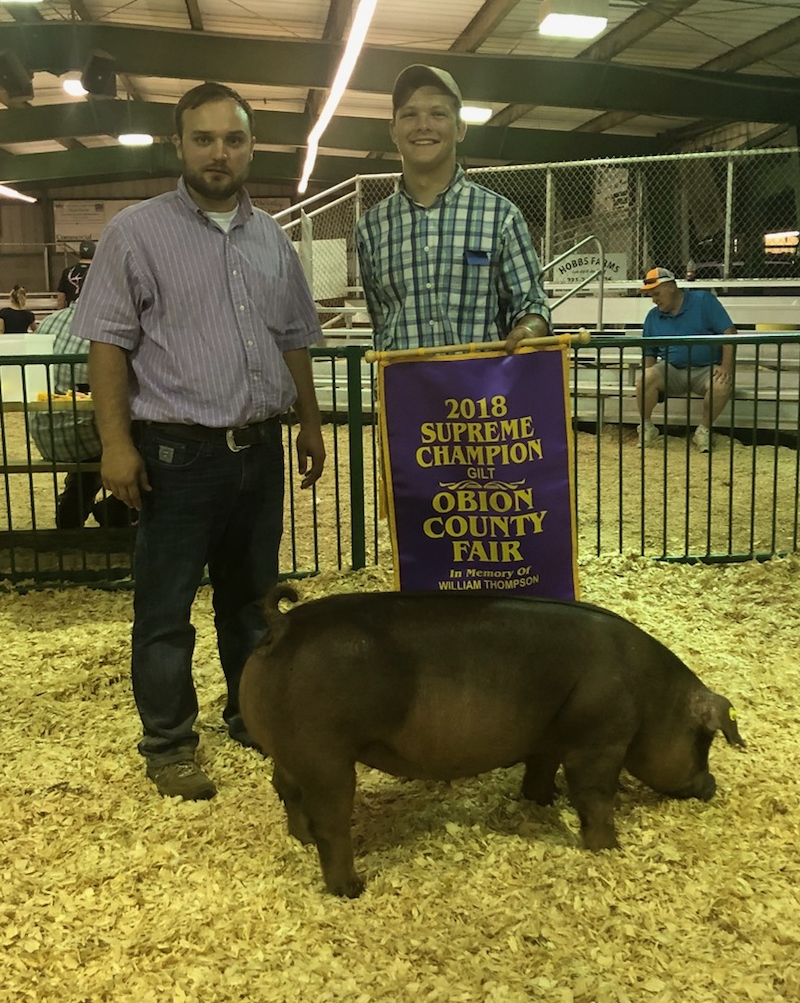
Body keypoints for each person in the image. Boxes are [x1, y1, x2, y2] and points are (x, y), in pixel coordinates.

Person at [73, 81, 326, 801]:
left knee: (251, 600)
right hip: (176, 454)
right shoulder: (135, 232)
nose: (220, 152)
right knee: (165, 608)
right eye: (205, 139)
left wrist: (310, 421)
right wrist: (115, 444)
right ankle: (169, 742)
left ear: (252, 148)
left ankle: (250, 714)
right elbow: (107, 344)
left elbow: (294, 337)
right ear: (179, 145)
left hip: (260, 449)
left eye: (234, 139)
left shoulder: (271, 236)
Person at [355, 64, 550, 353]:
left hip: (481, 382)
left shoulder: (501, 217)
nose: (423, 125)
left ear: (460, 128)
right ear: (393, 130)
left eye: (438, 114)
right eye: (409, 114)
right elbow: (380, 324)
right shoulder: (371, 228)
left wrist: (529, 329)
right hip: (404, 382)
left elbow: (532, 303)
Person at [28, 300, 130, 529]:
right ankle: (118, 507)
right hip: (88, 433)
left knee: (92, 440)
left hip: (44, 431)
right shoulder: (108, 328)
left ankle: (73, 508)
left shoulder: (51, 321)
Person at [636, 267, 736, 453]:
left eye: (656, 293)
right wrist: (648, 378)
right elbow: (649, 351)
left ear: (671, 287)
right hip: (671, 369)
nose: (654, 299)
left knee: (721, 384)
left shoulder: (704, 301)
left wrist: (725, 367)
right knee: (645, 378)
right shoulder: (652, 316)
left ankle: (703, 430)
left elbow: (729, 332)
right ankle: (647, 426)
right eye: (651, 295)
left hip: (707, 369)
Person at [56, 240, 96, 309]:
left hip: (72, 312)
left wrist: (61, 312)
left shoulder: (67, 272)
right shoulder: (99, 272)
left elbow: (61, 298)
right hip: (92, 312)